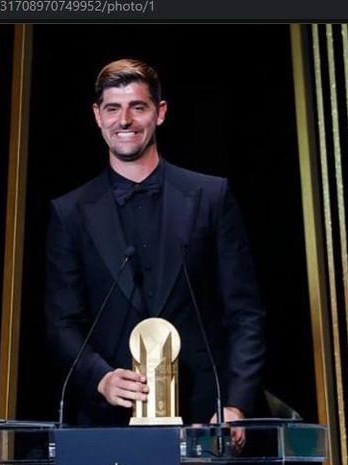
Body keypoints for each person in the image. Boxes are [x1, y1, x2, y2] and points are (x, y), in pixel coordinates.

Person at [44, 59, 265, 443]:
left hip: (205, 421)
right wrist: (101, 378)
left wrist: (234, 405)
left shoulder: (211, 198)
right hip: (108, 424)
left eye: (138, 107)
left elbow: (245, 314)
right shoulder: (69, 213)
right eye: (113, 108)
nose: (124, 120)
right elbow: (62, 323)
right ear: (97, 116)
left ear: (160, 113)